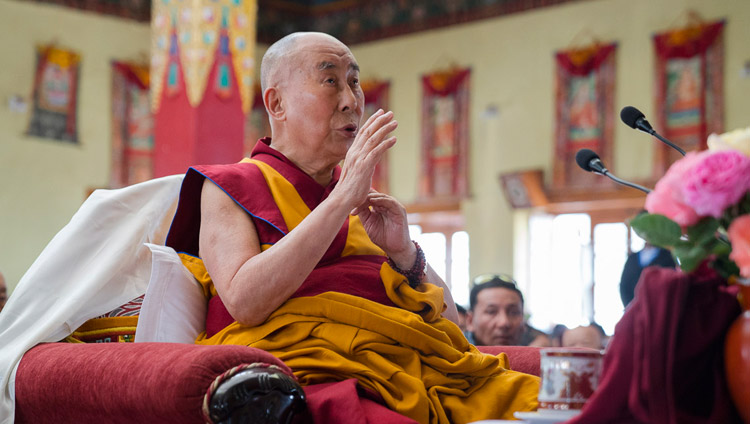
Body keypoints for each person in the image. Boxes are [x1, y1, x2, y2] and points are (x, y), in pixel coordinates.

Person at [164, 32, 538, 422]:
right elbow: (245, 302)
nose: (350, 99)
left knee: (551, 405)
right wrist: (340, 201)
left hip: (405, 369)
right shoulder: (229, 186)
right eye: (330, 81)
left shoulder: (363, 199)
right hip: (317, 375)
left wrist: (403, 253)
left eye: (354, 82)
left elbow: (449, 323)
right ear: (277, 103)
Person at [466, 274, 551, 347]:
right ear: (470, 321)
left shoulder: (537, 353)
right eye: (491, 312)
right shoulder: (456, 357)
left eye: (513, 312)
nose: (504, 322)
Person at [620, 241, 676, 307]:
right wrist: (630, 307)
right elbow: (624, 285)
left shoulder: (667, 257)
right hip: (633, 307)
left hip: (659, 308)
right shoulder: (633, 258)